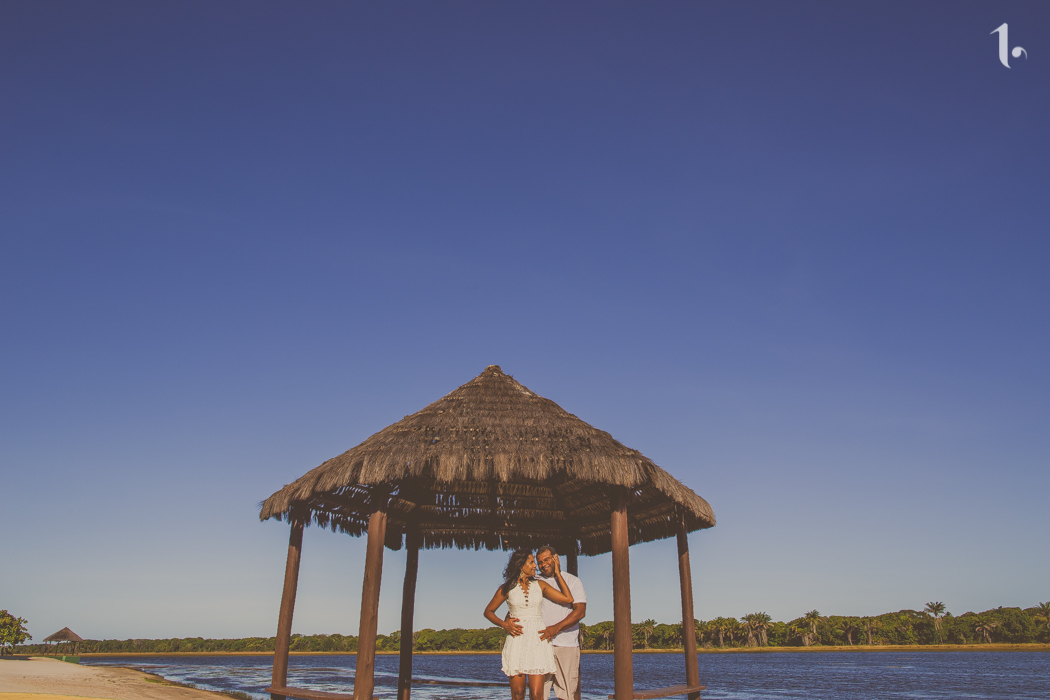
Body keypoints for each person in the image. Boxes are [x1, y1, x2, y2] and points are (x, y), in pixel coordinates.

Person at [484, 549, 574, 700]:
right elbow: (488, 612)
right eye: (531, 562)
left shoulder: (540, 585)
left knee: (537, 694)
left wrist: (558, 573)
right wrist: (505, 625)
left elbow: (568, 599)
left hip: (537, 641)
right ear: (520, 565)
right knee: (518, 694)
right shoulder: (506, 588)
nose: (535, 566)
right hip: (517, 640)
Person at [535, 546, 587, 700]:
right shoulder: (535, 582)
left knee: (567, 694)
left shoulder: (573, 581)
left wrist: (555, 629)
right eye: (539, 562)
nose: (543, 564)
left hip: (567, 645)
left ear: (555, 558)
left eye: (546, 559)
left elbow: (580, 612)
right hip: (541, 645)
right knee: (538, 694)